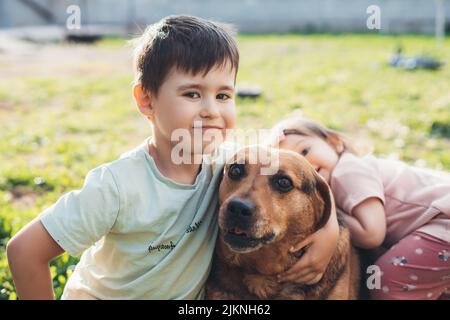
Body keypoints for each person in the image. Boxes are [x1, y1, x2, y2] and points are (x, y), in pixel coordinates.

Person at [272, 115, 450, 299]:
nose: (305, 167)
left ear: (335, 142)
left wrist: (329, 214)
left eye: (305, 151)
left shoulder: (348, 171)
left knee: (387, 279)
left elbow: (371, 234)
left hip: (445, 224)